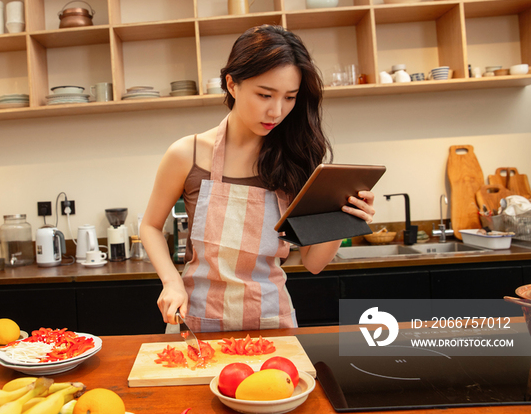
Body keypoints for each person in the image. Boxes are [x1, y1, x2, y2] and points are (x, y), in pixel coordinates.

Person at [140, 25, 375, 333]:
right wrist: (171, 283)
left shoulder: (297, 159)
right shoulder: (188, 154)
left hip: (272, 320)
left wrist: (344, 218)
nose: (276, 111)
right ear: (232, 84)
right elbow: (150, 226)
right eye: (265, 94)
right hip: (198, 319)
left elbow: (313, 261)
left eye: (289, 97)